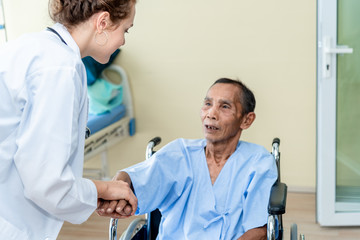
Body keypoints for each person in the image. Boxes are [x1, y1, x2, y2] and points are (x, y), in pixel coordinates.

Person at [0, 0, 138, 239]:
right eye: (125, 30)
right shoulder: (60, 68)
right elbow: (46, 183)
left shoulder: (31, 46)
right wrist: (105, 188)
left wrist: (92, 195)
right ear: (103, 22)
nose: (123, 41)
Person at [98, 78, 278, 240]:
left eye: (225, 107)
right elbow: (138, 178)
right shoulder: (180, 153)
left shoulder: (259, 162)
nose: (211, 114)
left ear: (246, 120)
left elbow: (259, 231)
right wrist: (120, 186)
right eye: (207, 104)